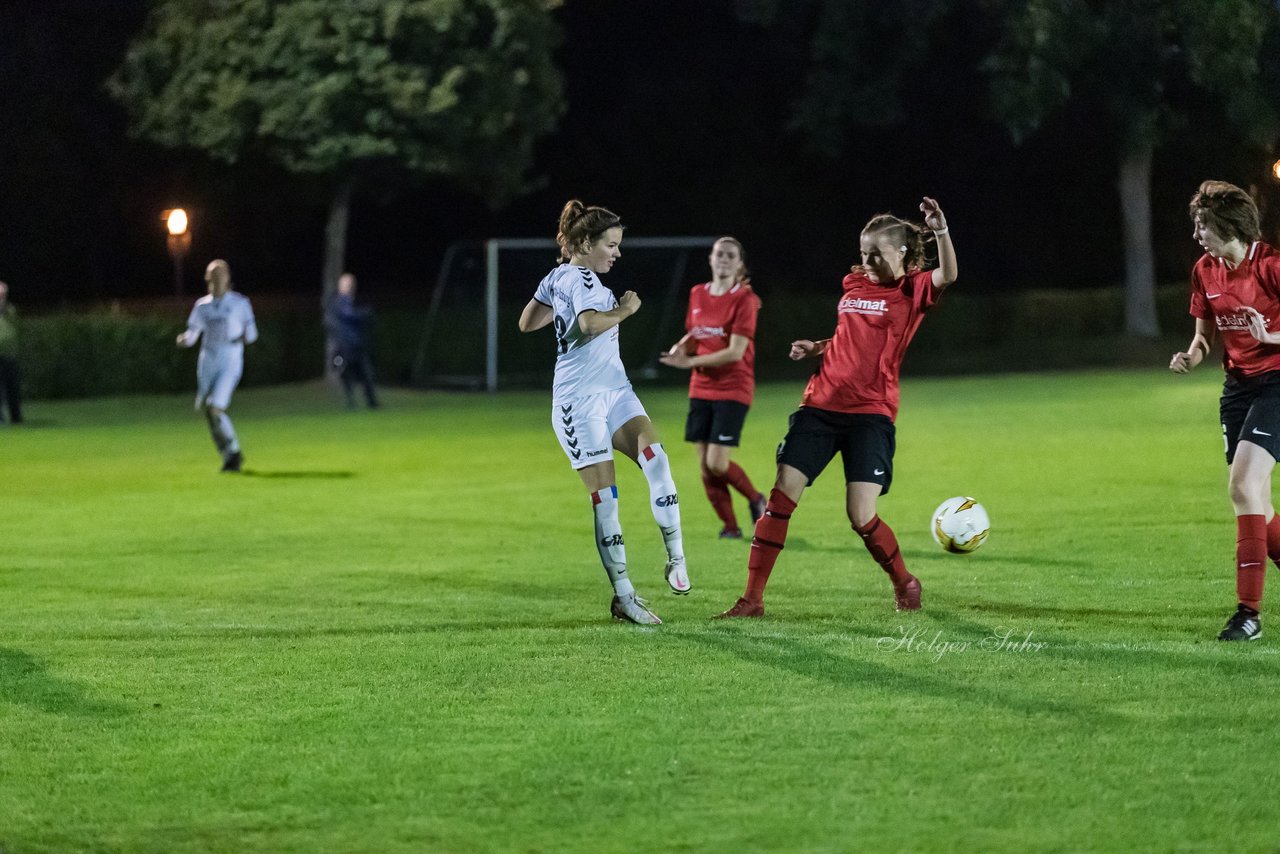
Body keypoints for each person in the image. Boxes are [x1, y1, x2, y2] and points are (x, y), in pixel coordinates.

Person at [716, 197, 958, 618]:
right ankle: (751, 599)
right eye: (862, 253)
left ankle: (905, 581)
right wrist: (818, 347)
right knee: (780, 500)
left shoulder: (912, 289)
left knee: (860, 515)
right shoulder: (854, 284)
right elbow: (849, 335)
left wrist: (940, 231)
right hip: (821, 405)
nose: (865, 261)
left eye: (875, 254)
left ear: (901, 253)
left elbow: (949, 274)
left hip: (871, 414)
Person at [518, 200, 689, 625]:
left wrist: (561, 302)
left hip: (615, 392)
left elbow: (527, 322)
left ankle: (676, 558)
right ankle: (625, 596)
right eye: (611, 245)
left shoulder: (560, 276)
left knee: (657, 460)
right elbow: (591, 323)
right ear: (584, 243)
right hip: (579, 405)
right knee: (606, 501)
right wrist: (626, 311)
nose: (617, 253)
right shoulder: (580, 278)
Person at [1170, 179, 1280, 641]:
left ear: (1228, 225)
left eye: (1203, 226)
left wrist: (1271, 337)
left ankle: (1248, 615)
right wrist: (1190, 356)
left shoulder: (1271, 266)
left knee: (1242, 485)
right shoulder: (1204, 270)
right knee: (1258, 500)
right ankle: (1249, 611)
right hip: (1237, 390)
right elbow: (1203, 336)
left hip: (1277, 383)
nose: (1198, 236)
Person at [660, 237, 767, 538]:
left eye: (730, 255)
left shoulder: (745, 299)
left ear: (739, 263)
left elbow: (735, 351)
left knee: (717, 462)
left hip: (733, 387)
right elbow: (695, 334)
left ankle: (756, 499)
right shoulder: (697, 293)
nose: (723, 259)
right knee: (706, 468)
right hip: (701, 388)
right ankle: (730, 526)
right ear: (710, 258)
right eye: (719, 254)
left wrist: (689, 363)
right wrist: (679, 348)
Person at [176, 259, 258, 472]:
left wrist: (240, 337)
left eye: (221, 274)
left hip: (230, 358)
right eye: (213, 275)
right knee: (209, 411)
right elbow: (193, 334)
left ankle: (234, 451)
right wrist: (185, 339)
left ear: (228, 277)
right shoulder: (202, 306)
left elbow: (251, 335)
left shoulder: (240, 304)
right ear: (207, 278)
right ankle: (228, 455)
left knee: (215, 407)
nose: (217, 279)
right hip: (208, 359)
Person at [325, 272, 380, 409]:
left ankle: (371, 402)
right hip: (344, 345)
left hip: (358, 344)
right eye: (346, 283)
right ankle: (351, 403)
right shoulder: (338, 301)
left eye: (350, 284)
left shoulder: (353, 300)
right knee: (346, 374)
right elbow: (347, 315)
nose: (348, 286)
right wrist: (364, 314)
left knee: (366, 373)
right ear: (340, 285)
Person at [0, 280, 23, 425]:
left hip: (9, 355)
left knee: (13, 388)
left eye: (3, 294)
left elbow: (16, 326)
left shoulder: (10, 310)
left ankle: (16, 418)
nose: (2, 297)